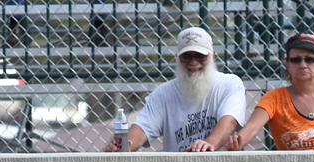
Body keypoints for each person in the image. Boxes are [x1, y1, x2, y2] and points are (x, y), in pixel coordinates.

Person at [103, 27, 246, 152]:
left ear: (213, 55)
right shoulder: (163, 93)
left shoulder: (230, 83)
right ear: (178, 58)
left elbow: (230, 121)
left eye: (200, 56)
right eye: (186, 57)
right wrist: (124, 145)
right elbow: (142, 129)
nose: (193, 62)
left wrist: (208, 144)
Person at [226, 33, 314, 151]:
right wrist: (237, 141)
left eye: (310, 59)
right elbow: (251, 128)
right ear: (288, 65)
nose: (303, 65)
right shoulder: (274, 98)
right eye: (296, 60)